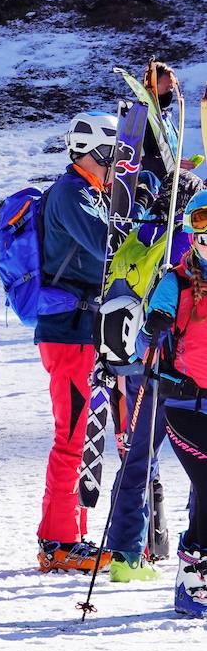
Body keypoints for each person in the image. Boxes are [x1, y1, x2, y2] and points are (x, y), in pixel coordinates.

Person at [104, 170, 201, 582]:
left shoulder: (142, 237)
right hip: (171, 372)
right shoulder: (178, 245)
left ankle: (126, 554)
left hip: (137, 363)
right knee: (199, 468)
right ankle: (190, 549)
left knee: (139, 458)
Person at [33, 110, 119, 573]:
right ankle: (57, 541)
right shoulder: (72, 192)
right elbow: (108, 245)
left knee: (84, 432)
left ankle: (72, 532)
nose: (117, 165)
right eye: (113, 156)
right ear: (96, 152)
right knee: (71, 435)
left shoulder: (90, 191)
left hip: (83, 330)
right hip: (68, 332)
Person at [140, 187, 207, 617]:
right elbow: (150, 326)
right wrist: (158, 320)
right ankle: (190, 577)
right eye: (200, 225)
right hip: (184, 406)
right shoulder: (177, 279)